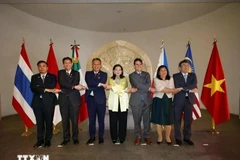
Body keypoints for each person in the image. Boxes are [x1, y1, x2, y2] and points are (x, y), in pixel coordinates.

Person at [57, 57, 86, 147]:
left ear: (72, 64)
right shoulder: (60, 72)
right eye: (65, 63)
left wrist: (68, 88)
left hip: (74, 100)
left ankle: (75, 138)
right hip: (63, 100)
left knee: (74, 120)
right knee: (65, 120)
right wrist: (74, 87)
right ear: (63, 64)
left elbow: (75, 82)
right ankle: (66, 138)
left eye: (69, 63)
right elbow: (62, 83)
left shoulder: (76, 73)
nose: (67, 64)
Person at [151, 65, 181, 145]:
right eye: (161, 70)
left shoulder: (171, 79)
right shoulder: (155, 79)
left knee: (169, 119)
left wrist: (168, 90)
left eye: (165, 70)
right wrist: (171, 90)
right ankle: (160, 137)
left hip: (168, 100)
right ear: (158, 72)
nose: (163, 72)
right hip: (158, 100)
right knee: (158, 120)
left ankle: (167, 137)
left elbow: (169, 88)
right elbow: (159, 89)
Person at [30, 60, 57, 148]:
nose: (42, 68)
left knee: (49, 122)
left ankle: (48, 140)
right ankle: (40, 140)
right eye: (40, 66)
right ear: (38, 67)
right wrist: (46, 89)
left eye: (44, 66)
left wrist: (40, 87)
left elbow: (51, 85)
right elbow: (33, 88)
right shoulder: (34, 77)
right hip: (37, 103)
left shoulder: (52, 76)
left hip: (49, 102)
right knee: (39, 122)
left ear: (47, 67)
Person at [129, 58, 155, 145]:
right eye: (137, 64)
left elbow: (147, 84)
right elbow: (138, 84)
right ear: (134, 66)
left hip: (147, 100)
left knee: (147, 120)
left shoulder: (147, 74)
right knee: (137, 120)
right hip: (136, 101)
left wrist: (137, 89)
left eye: (140, 64)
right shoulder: (131, 75)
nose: (139, 66)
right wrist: (147, 88)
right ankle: (138, 137)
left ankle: (147, 136)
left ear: (142, 65)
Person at [173, 60, 197, 146]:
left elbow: (193, 85)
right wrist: (189, 89)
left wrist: (184, 88)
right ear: (180, 68)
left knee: (188, 120)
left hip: (189, 100)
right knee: (177, 120)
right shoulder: (175, 76)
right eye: (184, 65)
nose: (186, 67)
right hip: (178, 100)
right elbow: (177, 86)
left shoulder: (193, 76)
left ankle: (187, 137)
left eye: (187, 65)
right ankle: (178, 138)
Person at [85, 58, 107, 145]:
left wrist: (90, 87)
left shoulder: (104, 74)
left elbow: (93, 83)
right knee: (92, 120)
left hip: (101, 99)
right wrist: (99, 84)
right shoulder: (88, 73)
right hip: (91, 99)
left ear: (100, 65)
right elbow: (89, 81)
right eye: (94, 64)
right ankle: (92, 137)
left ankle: (101, 137)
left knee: (101, 120)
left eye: (98, 64)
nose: (96, 66)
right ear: (92, 65)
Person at [106, 64, 129, 144]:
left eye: (119, 69)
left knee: (123, 121)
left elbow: (122, 87)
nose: (118, 71)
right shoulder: (110, 79)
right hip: (113, 103)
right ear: (113, 71)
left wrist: (112, 87)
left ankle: (122, 137)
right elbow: (121, 89)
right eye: (116, 69)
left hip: (122, 102)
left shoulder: (125, 79)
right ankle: (114, 137)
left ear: (122, 71)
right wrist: (113, 87)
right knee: (113, 121)